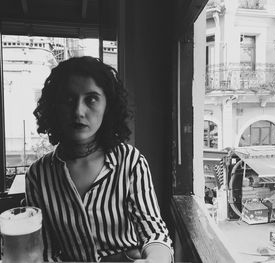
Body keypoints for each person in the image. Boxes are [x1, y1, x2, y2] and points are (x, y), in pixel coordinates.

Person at [25, 56, 173, 262]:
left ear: (108, 106)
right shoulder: (38, 175)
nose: (78, 111)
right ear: (54, 107)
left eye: (91, 99)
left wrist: (157, 258)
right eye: (68, 100)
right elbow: (45, 251)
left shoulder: (130, 161)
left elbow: (153, 230)